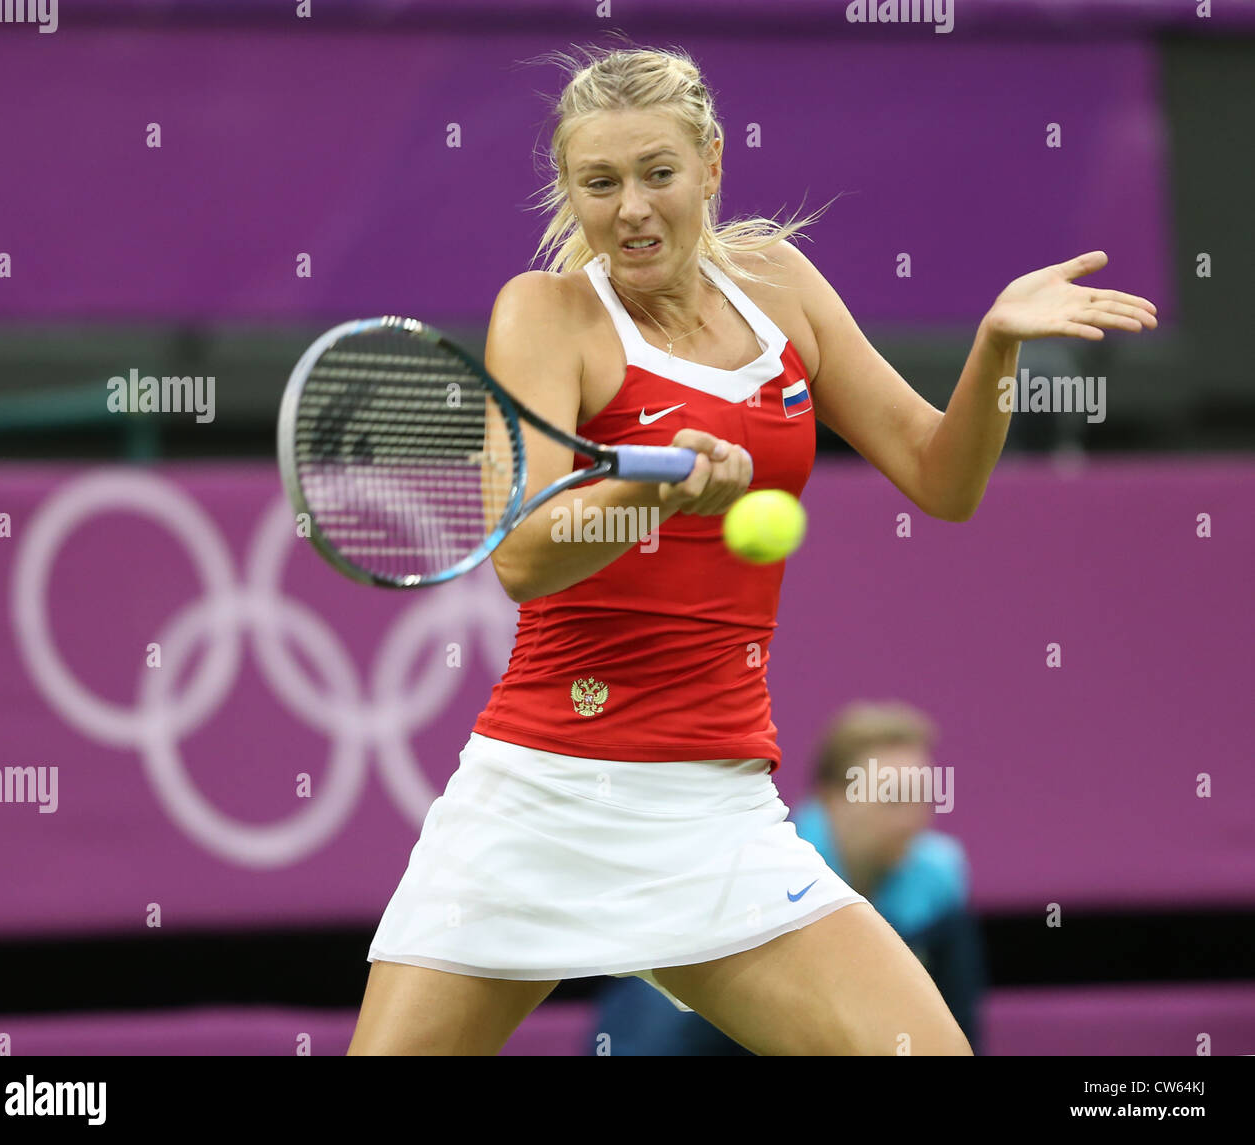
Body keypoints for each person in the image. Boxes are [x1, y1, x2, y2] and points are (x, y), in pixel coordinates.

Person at [346, 43, 1156, 1056]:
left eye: (657, 173)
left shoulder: (779, 288)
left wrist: (992, 347)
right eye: (599, 183)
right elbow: (520, 555)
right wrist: (652, 491)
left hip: (710, 807)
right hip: (537, 794)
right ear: (570, 190)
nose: (631, 207)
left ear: (712, 166)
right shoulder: (545, 315)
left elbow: (940, 480)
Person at [591, 701, 987, 1054]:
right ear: (832, 797)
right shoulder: (765, 879)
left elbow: (958, 1029)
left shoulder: (940, 886)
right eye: (893, 797)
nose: (910, 818)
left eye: (921, 796)